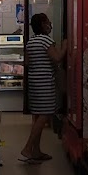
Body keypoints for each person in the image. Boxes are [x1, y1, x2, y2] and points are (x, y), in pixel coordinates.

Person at [21, 12, 65, 163]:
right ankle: (28, 148)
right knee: (45, 114)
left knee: (37, 115)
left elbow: (27, 63)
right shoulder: (46, 40)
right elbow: (57, 58)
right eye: (48, 22)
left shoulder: (31, 41)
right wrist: (65, 47)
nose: (50, 24)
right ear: (42, 25)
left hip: (34, 82)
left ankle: (36, 151)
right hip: (45, 82)